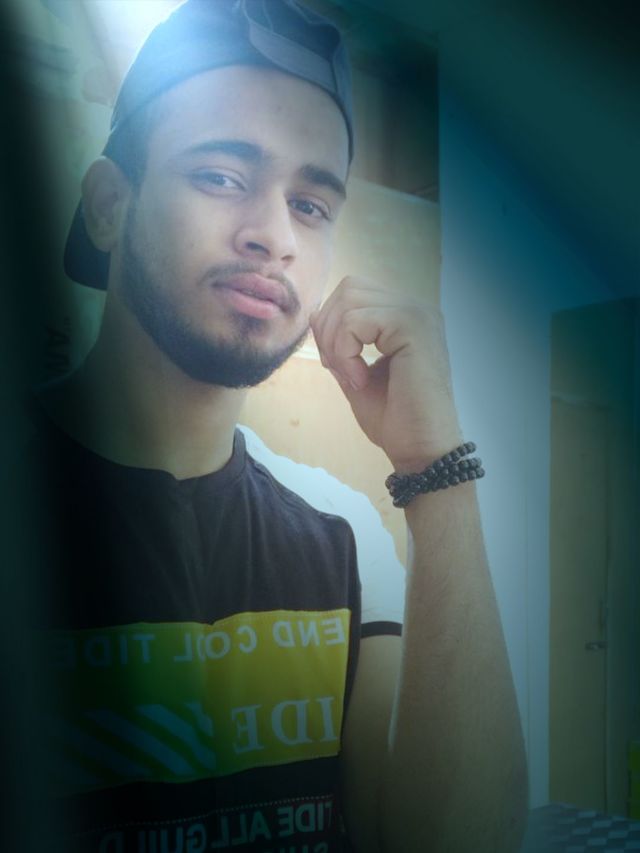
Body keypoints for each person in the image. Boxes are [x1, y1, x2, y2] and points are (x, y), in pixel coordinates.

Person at [29, 1, 528, 850]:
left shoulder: (346, 538)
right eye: (222, 176)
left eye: (310, 203)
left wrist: (435, 464)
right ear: (109, 205)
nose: (274, 237)